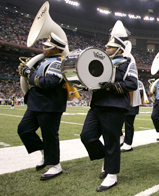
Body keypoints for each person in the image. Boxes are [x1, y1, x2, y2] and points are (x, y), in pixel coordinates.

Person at [80, 20, 138, 192]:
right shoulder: (99, 61)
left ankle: (111, 175)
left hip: (115, 106)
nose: (106, 48)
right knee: (87, 136)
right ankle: (107, 157)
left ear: (119, 49)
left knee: (112, 142)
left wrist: (112, 86)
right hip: (97, 105)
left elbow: (132, 83)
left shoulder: (127, 62)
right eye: (106, 46)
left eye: (110, 47)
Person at [17, 32, 68, 180]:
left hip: (50, 104)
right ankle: (45, 153)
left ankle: (55, 165)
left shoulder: (58, 62)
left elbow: (49, 83)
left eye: (48, 46)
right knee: (24, 130)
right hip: (36, 102)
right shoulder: (43, 60)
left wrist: (30, 74)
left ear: (56, 49)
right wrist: (26, 73)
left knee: (50, 135)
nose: (44, 48)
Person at [121, 80, 148, 152]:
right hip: (124, 104)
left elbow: (141, 93)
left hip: (132, 104)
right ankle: (122, 138)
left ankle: (128, 143)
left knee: (129, 124)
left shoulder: (137, 82)